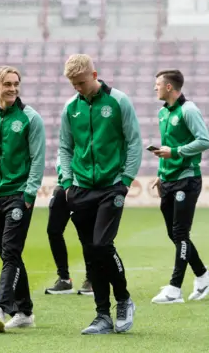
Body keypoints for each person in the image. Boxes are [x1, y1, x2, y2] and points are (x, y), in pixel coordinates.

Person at [59, 54, 142, 335]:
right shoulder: (70, 108)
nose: (78, 89)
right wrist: (68, 181)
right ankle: (102, 316)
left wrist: (126, 179)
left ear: (94, 76)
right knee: (90, 252)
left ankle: (124, 299)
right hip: (81, 188)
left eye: (81, 83)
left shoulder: (119, 101)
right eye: (74, 85)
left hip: (111, 187)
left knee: (102, 245)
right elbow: (65, 148)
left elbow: (133, 141)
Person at [0, 66, 46, 333]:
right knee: (10, 254)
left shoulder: (31, 118)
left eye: (16, 84)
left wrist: (29, 194)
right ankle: (25, 311)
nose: (13, 88)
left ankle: (0, 307)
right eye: (7, 84)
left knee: (10, 253)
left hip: (18, 195)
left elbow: (38, 158)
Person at [149, 69, 209, 304]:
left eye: (158, 84)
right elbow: (167, 147)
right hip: (168, 180)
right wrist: (160, 174)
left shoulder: (189, 110)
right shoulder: (162, 113)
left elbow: (204, 141)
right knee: (174, 233)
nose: (155, 87)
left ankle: (174, 288)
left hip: (187, 180)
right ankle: (203, 276)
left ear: (169, 87)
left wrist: (177, 152)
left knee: (180, 233)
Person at [44, 152, 93, 296]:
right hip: (62, 186)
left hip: (81, 187)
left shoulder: (83, 132)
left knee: (85, 235)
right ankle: (64, 279)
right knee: (53, 231)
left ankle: (92, 279)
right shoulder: (66, 133)